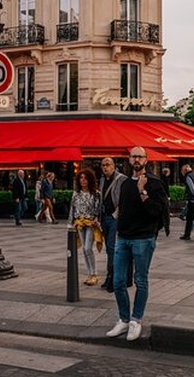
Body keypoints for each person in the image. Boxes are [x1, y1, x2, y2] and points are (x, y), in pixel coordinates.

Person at [106, 146, 165, 342]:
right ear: (129, 160)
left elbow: (157, 212)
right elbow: (121, 209)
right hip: (123, 238)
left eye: (140, 156)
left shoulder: (154, 183)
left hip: (143, 239)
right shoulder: (124, 183)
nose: (137, 160)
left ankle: (136, 319)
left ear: (146, 160)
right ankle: (123, 319)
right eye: (133, 156)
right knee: (118, 281)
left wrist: (143, 192)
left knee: (141, 280)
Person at [99, 157, 129, 293]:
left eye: (108, 165)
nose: (105, 167)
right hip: (104, 218)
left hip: (114, 218)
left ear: (114, 166)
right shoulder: (102, 179)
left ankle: (112, 277)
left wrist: (117, 214)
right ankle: (110, 276)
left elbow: (125, 199)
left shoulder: (121, 179)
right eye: (103, 165)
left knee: (112, 248)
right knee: (108, 248)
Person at [69, 168, 103, 286]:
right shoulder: (76, 194)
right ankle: (90, 273)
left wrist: (97, 220)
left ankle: (94, 273)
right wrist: (70, 224)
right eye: (81, 178)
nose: (83, 181)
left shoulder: (96, 194)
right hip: (79, 222)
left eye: (85, 178)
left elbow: (98, 210)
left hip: (90, 223)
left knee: (88, 248)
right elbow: (72, 209)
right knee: (84, 249)